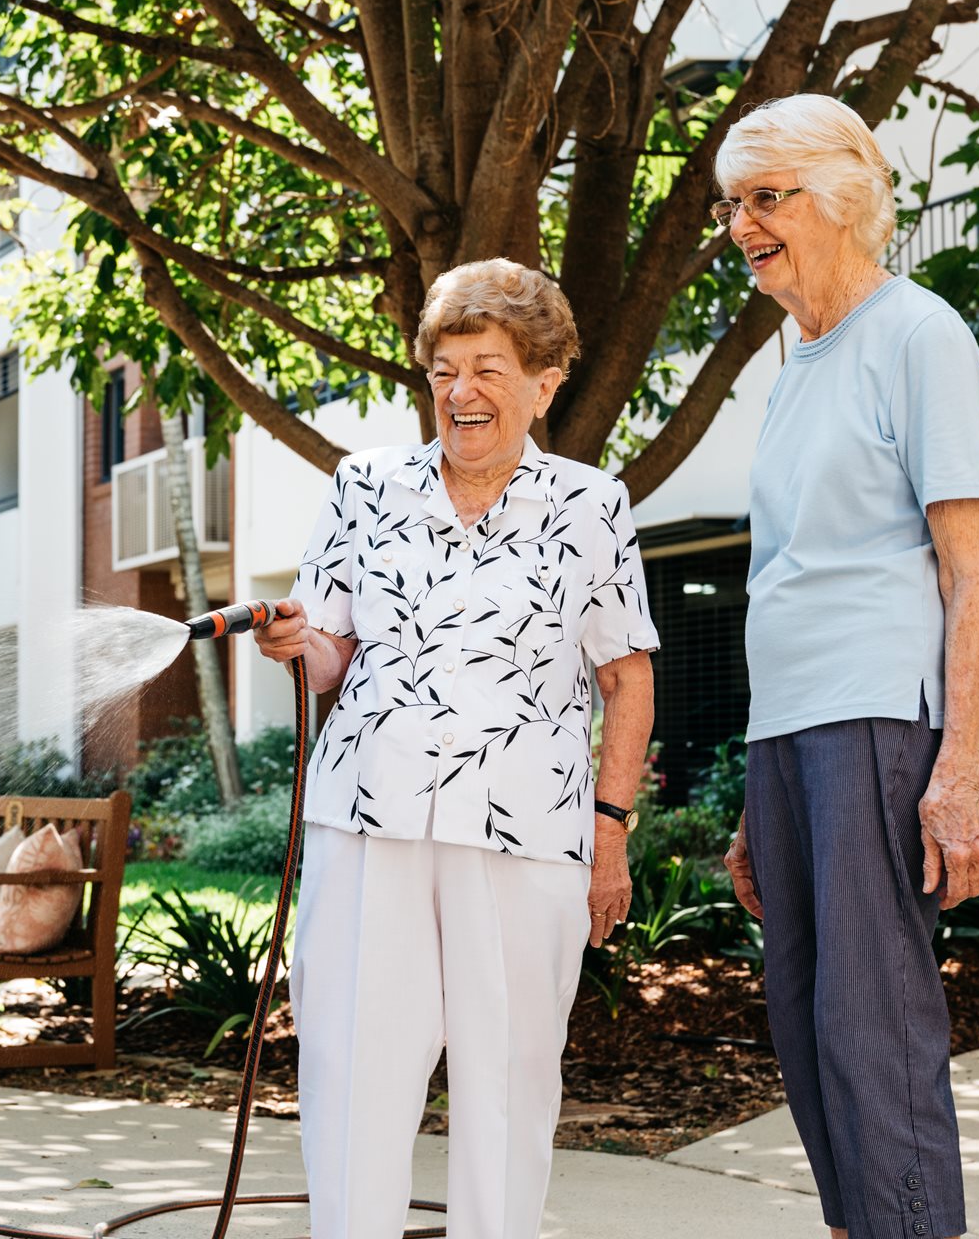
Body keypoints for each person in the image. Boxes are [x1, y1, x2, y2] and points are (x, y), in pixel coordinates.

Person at [255, 259, 659, 1239]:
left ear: (544, 381)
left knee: (511, 1081)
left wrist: (610, 836)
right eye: (443, 369)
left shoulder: (590, 506)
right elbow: (331, 654)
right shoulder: (365, 486)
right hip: (368, 823)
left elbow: (627, 677)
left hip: (526, 837)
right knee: (354, 1071)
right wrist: (295, 640)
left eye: (487, 368)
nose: (461, 392)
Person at [716, 94, 979, 1239]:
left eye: (765, 198)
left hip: (878, 713)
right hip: (790, 728)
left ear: (842, 196)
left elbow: (970, 571)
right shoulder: (796, 364)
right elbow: (781, 578)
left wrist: (961, 771)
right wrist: (753, 794)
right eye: (730, 204)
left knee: (869, 1018)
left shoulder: (917, 333)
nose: (741, 225)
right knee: (801, 1012)